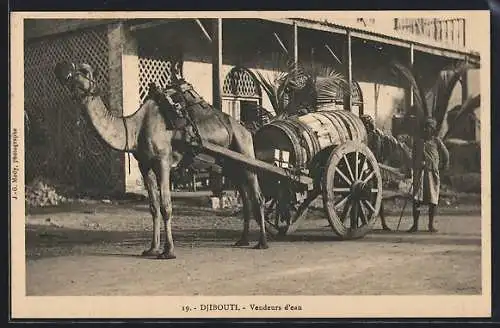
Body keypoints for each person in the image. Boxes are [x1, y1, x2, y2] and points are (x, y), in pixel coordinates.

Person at [359, 114, 412, 231]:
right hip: (368, 168)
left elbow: (377, 153)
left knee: (376, 195)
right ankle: (370, 221)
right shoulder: (368, 136)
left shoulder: (375, 137)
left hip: (371, 168)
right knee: (374, 196)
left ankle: (373, 221)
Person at [408, 117, 450, 233]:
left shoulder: (436, 141)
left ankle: (430, 225)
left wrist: (442, 166)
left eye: (429, 127)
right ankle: (415, 225)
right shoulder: (418, 142)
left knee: (433, 199)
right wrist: (414, 167)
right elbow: (413, 156)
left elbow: (446, 155)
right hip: (419, 174)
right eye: (425, 127)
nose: (426, 129)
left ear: (433, 129)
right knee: (417, 198)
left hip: (432, 173)